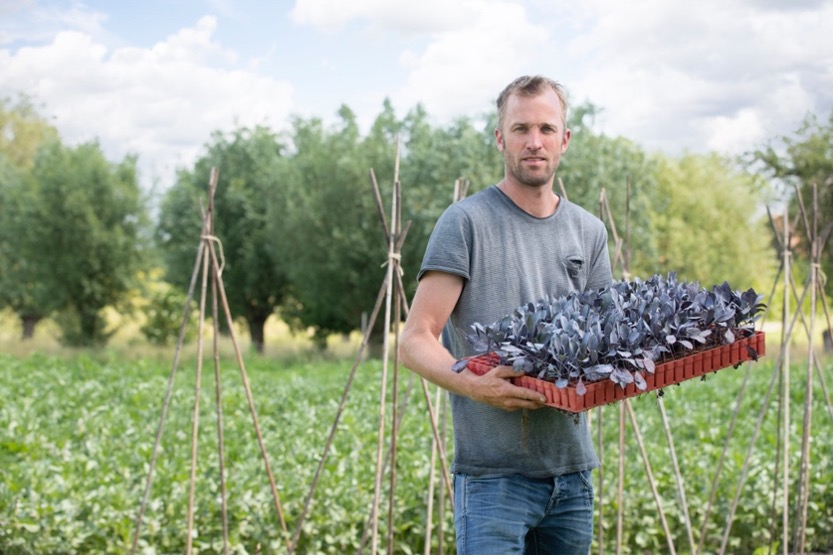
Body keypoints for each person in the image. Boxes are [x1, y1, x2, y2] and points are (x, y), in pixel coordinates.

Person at [399, 75, 613, 555]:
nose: (533, 142)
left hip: (572, 475)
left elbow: (606, 339)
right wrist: (475, 386)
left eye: (546, 128)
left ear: (565, 139)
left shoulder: (589, 231)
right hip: (493, 479)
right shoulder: (466, 223)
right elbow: (415, 339)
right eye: (520, 129)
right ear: (500, 138)